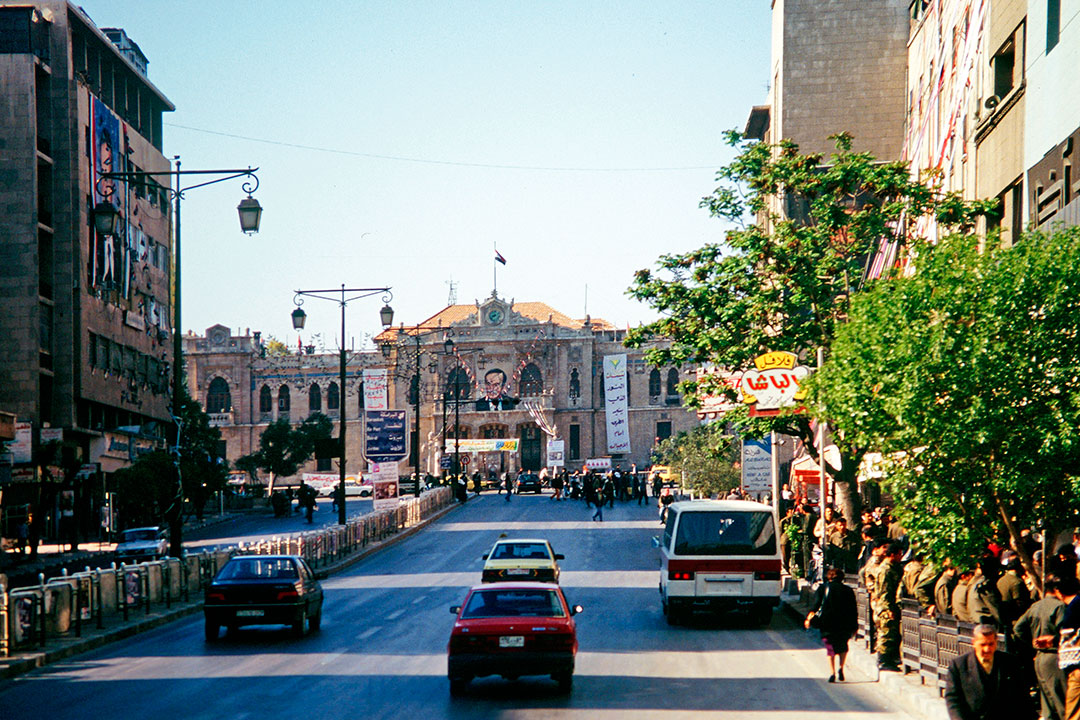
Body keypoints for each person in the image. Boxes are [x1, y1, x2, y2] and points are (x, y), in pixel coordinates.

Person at [945, 623, 1032, 720]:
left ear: (996, 642)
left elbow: (1022, 696)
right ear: (973, 642)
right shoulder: (959, 665)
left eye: (991, 644)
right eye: (983, 645)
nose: (987, 649)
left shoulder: (1010, 662)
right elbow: (953, 699)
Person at [1015, 573, 1068, 720]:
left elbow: (1018, 628)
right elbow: (1065, 633)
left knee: (1047, 706)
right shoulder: (1060, 607)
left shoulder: (1035, 606)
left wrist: (1032, 643)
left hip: (1039, 658)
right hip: (1055, 657)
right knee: (1062, 703)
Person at [804, 566, 858, 682]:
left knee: (830, 647)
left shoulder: (823, 588)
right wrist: (855, 626)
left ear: (829, 577)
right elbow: (853, 609)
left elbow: (816, 605)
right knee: (843, 645)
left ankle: (832, 672)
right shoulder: (848, 590)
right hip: (844, 622)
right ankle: (841, 668)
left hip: (827, 622)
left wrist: (808, 618)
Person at [1046, 570, 1080, 720]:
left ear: (1058, 592)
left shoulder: (1073, 608)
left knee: (1072, 714)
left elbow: (1071, 637)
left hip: (1077, 668)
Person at [871, 540, 903, 671]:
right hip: (885, 607)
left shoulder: (893, 567)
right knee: (886, 633)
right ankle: (884, 660)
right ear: (892, 555)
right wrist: (888, 608)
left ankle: (890, 659)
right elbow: (884, 591)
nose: (900, 557)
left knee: (892, 633)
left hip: (890, 605)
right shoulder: (885, 570)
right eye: (899, 554)